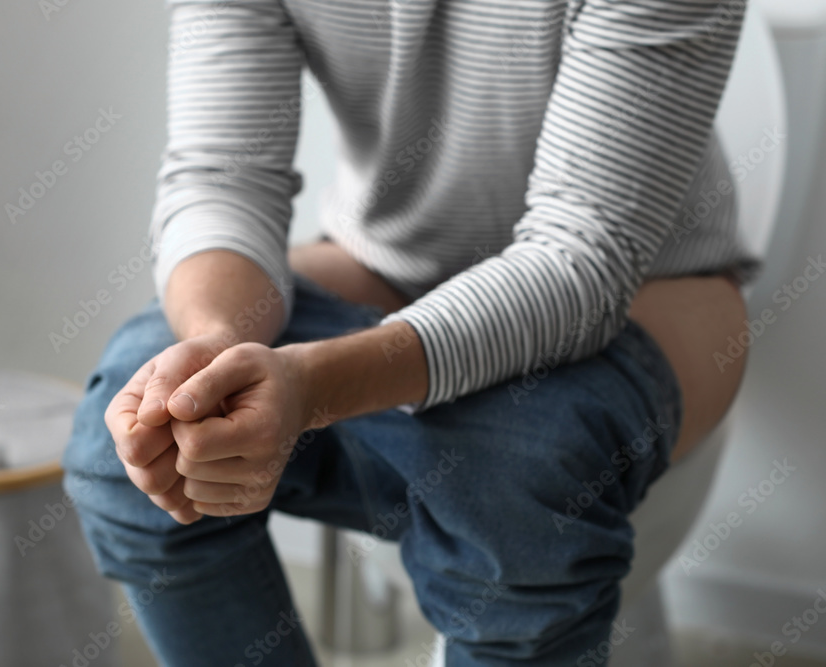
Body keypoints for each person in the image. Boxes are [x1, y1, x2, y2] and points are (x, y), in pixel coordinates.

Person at [63, 0, 758, 664]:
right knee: (125, 443)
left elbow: (580, 259)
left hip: (650, 287)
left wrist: (311, 387)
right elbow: (222, 175)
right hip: (391, 260)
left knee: (515, 501)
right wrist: (217, 348)